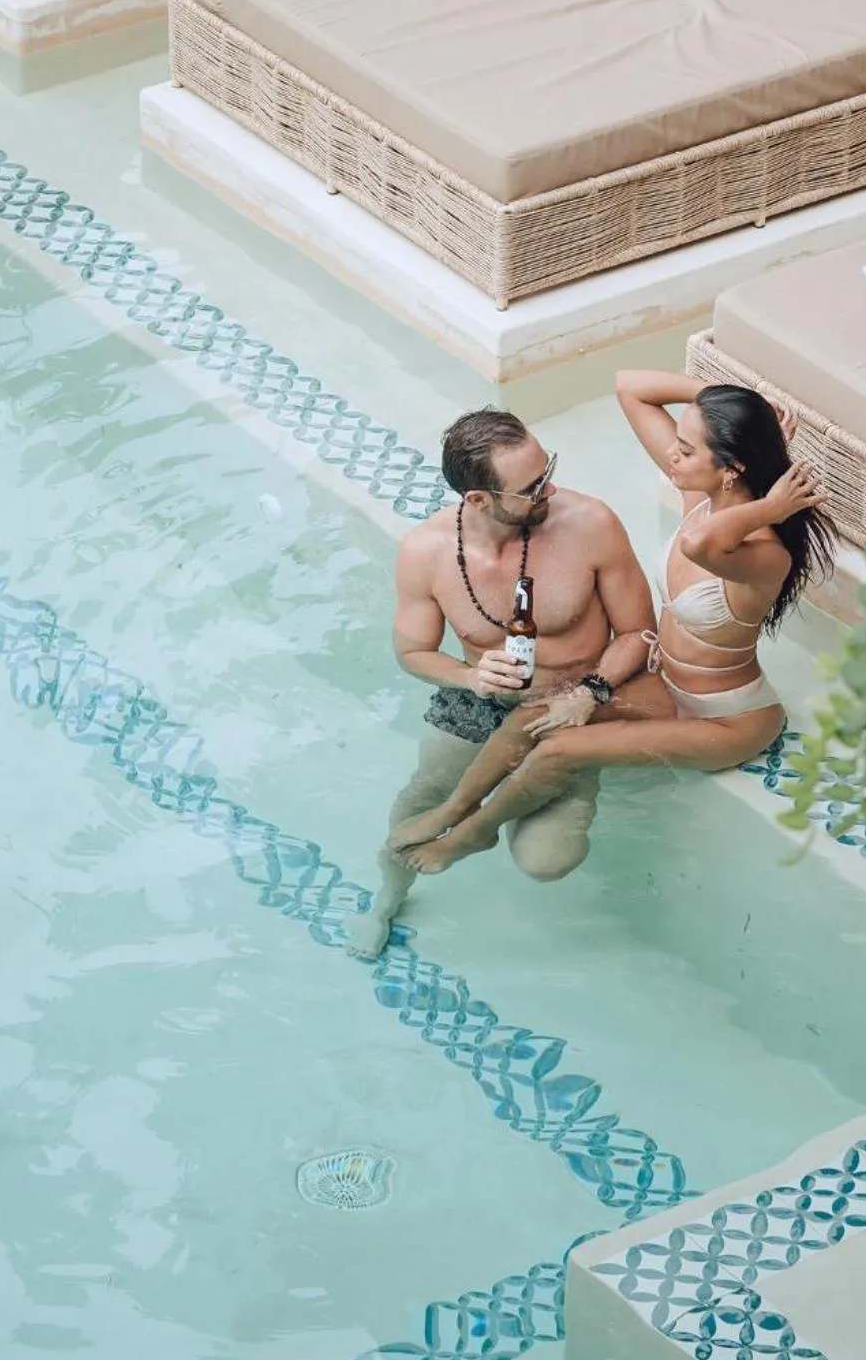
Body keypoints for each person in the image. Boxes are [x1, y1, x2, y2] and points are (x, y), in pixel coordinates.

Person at [390, 373, 834, 878]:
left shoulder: (764, 555)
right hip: (667, 686)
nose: (672, 456)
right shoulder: (703, 502)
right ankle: (454, 809)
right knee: (532, 718)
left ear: (731, 469)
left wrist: (771, 506)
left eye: (686, 449)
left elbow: (701, 547)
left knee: (557, 750)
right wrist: (734, 407)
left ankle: (473, 834)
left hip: (727, 717)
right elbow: (630, 387)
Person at [344, 406, 656, 959]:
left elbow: (639, 633)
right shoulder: (427, 552)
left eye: (547, 469)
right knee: (413, 815)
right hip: (481, 699)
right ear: (478, 499)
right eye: (531, 487)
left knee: (547, 862)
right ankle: (387, 900)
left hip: (573, 701)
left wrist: (590, 693)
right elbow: (412, 653)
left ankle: (491, 820)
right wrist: (470, 675)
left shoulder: (590, 524)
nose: (550, 488)